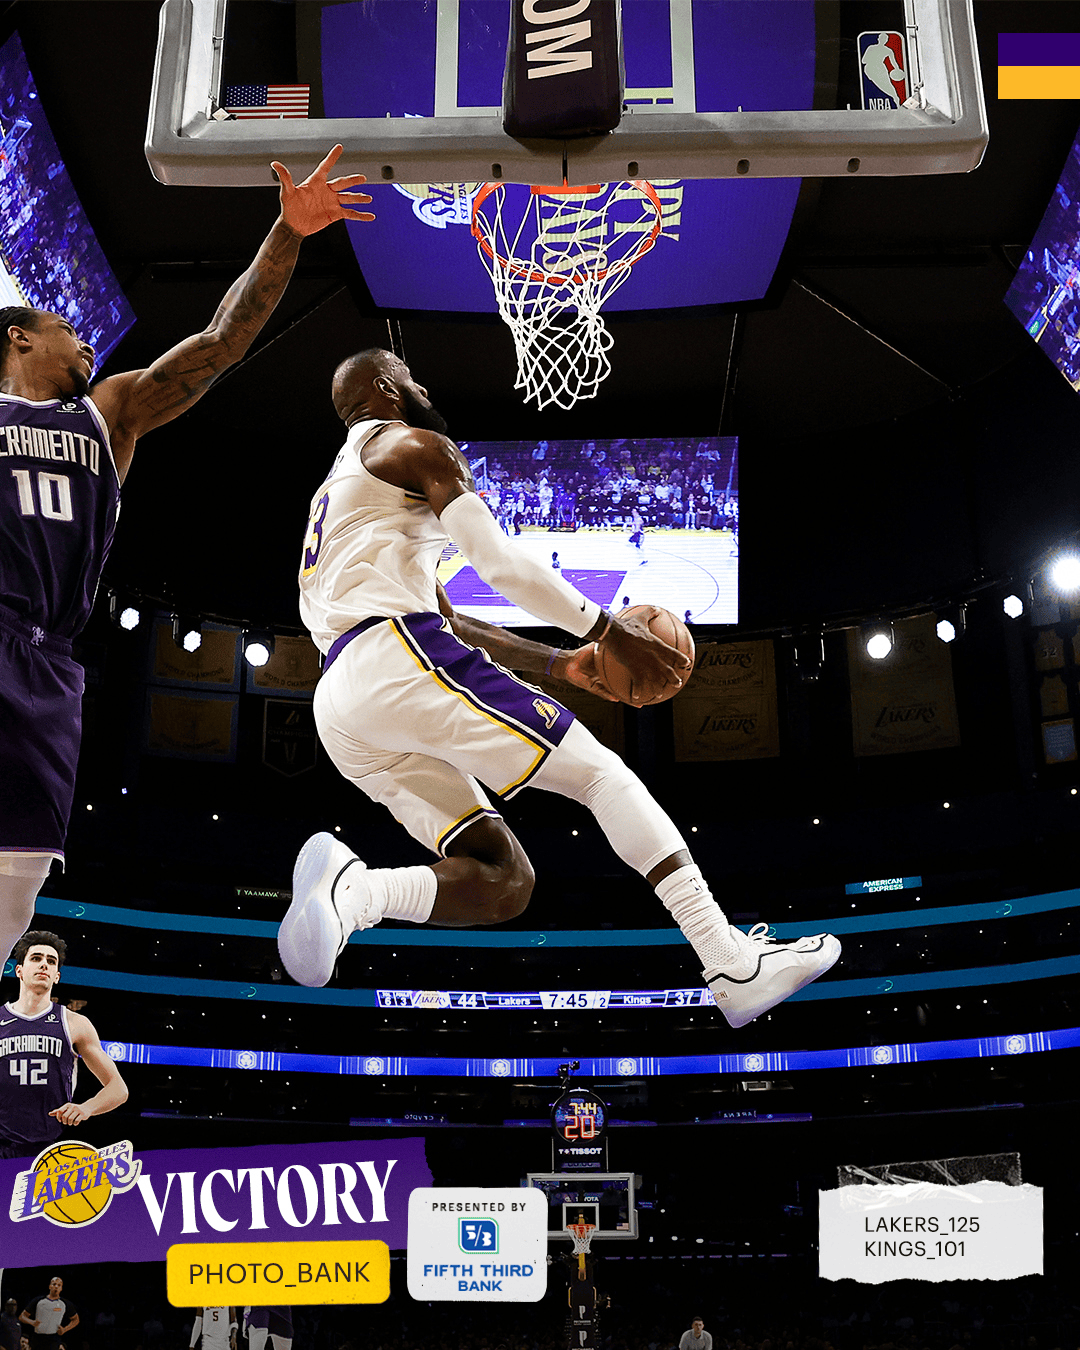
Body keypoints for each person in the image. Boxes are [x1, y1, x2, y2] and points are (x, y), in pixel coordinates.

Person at [278, 349, 840, 1028]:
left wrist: (560, 663)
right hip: (394, 657)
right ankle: (729, 961)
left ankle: (354, 897)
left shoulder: (338, 489)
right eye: (407, 374)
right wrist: (609, 630)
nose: (421, 384)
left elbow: (456, 620)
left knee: (503, 881)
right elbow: (499, 565)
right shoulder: (416, 446)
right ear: (382, 388)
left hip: (342, 701)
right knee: (603, 777)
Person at [0, 145, 373, 969]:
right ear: (19, 338)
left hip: (48, 662)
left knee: (15, 885)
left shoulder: (107, 414)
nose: (86, 345)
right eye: (68, 331)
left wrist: (288, 232)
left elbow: (221, 341)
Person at [0, 931, 127, 1158]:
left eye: (51, 961)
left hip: (52, 1148)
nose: (44, 965)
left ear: (56, 976)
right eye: (36, 958)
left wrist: (86, 1108)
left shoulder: (75, 1023)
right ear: (19, 970)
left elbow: (118, 1088)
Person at [19, 1278, 77, 1350]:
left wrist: (65, 1329)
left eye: (59, 1285)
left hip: (54, 1339)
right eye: (54, 1284)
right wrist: (32, 1322)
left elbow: (76, 1319)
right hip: (37, 1338)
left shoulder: (64, 1303)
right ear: (50, 1286)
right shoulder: (39, 1301)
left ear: (61, 1288)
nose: (56, 1286)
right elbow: (22, 1316)